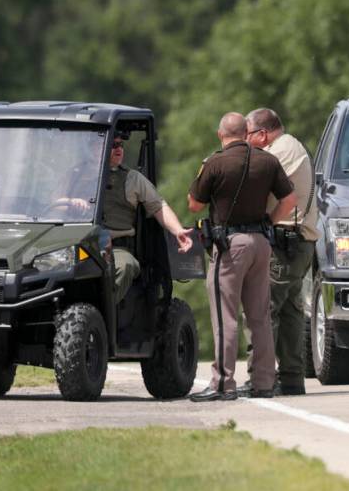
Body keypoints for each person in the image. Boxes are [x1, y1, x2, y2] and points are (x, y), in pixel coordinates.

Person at [187, 112, 296, 401]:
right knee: (260, 316)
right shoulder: (268, 160)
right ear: (246, 132)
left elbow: (195, 205)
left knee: (226, 317)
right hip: (262, 243)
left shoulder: (214, 163)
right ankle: (263, 383)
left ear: (220, 134)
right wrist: (269, 223)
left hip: (230, 246)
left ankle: (223, 383)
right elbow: (290, 200)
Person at [240, 108, 320, 397]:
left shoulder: (277, 153)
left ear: (262, 134)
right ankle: (291, 378)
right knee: (290, 312)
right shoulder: (291, 146)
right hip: (298, 242)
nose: (243, 140)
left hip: (284, 242)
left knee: (261, 310)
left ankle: (261, 379)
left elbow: (252, 188)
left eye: (246, 135)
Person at [60, 132, 194, 304]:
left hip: (117, 249)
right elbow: (53, 206)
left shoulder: (133, 179)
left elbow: (158, 205)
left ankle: (102, 313)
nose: (119, 149)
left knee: (126, 266)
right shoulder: (75, 175)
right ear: (96, 148)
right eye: (113, 145)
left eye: (120, 145)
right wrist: (70, 202)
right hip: (78, 247)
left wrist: (178, 231)